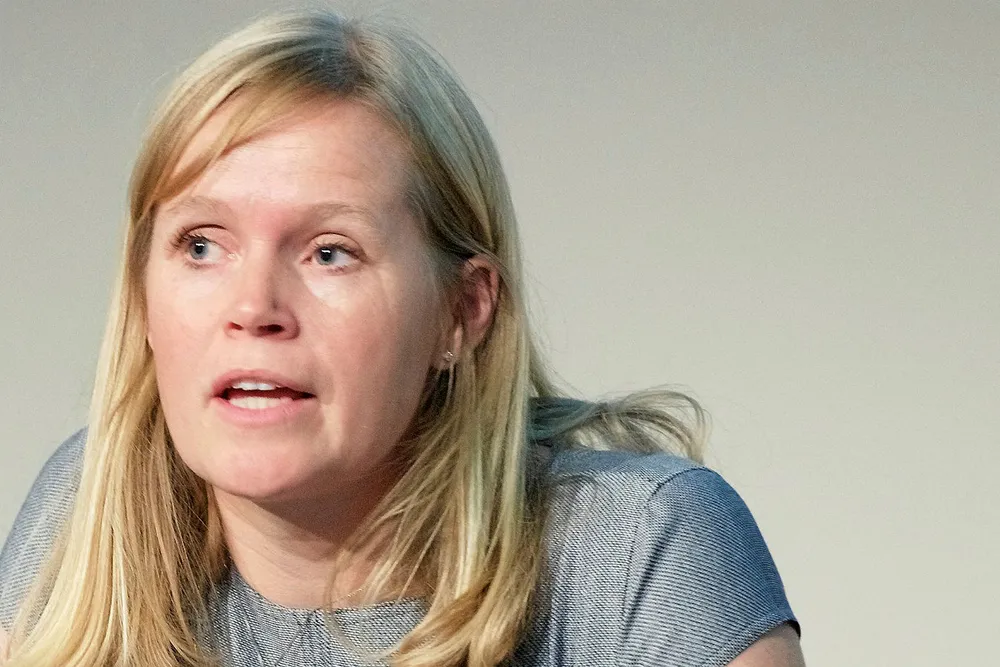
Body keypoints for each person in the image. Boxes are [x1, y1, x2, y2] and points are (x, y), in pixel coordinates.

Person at [0, 9, 804, 667]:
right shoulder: (91, 514)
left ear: (463, 312)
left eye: (330, 252)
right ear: (142, 298)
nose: (253, 306)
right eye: (202, 244)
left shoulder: (637, 548)